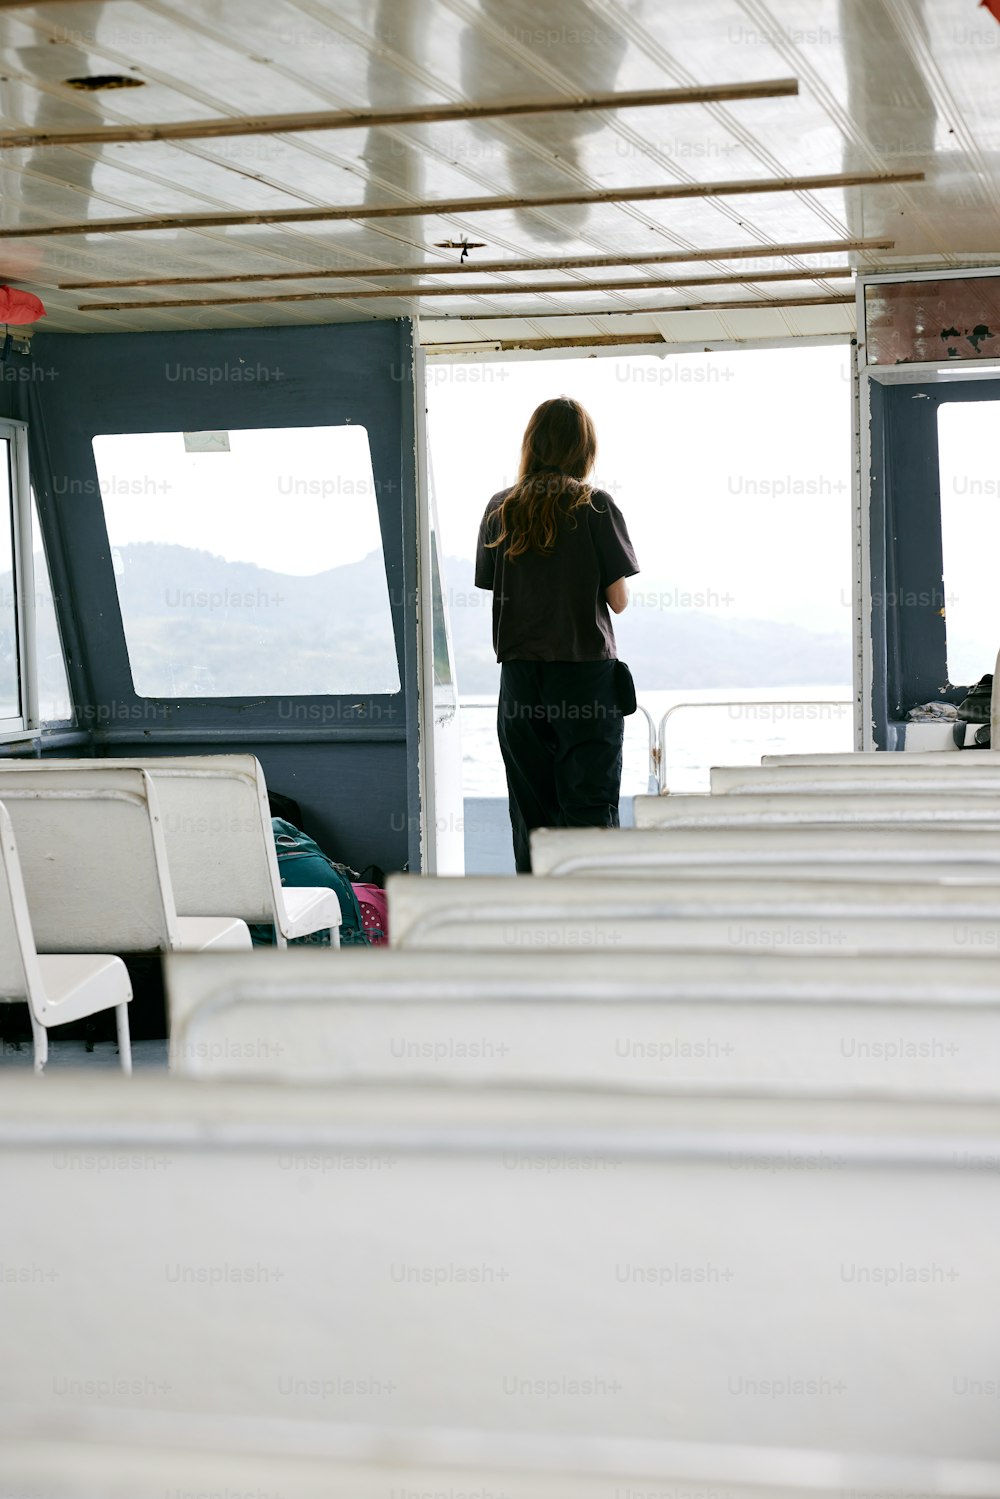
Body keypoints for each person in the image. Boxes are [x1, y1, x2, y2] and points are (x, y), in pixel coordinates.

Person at [475, 396, 639, 872]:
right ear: (583, 448)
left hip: (522, 682)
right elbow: (618, 600)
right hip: (585, 676)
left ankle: (539, 925)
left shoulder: (499, 508)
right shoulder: (595, 505)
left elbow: (493, 584)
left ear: (532, 444)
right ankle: (590, 922)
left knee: (532, 812)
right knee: (588, 805)